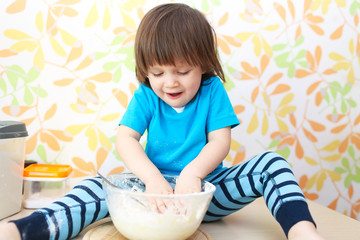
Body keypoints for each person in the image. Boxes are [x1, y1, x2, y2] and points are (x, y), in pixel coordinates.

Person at [0, 3, 325, 240]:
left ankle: (302, 232)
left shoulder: (212, 91)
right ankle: (24, 230)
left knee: (273, 164)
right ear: (146, 71)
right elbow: (126, 139)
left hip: (206, 192)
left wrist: (193, 174)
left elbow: (220, 141)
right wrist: (154, 181)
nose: (169, 82)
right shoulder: (146, 96)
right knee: (94, 187)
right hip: (149, 193)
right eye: (157, 73)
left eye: (182, 72)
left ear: (203, 64)